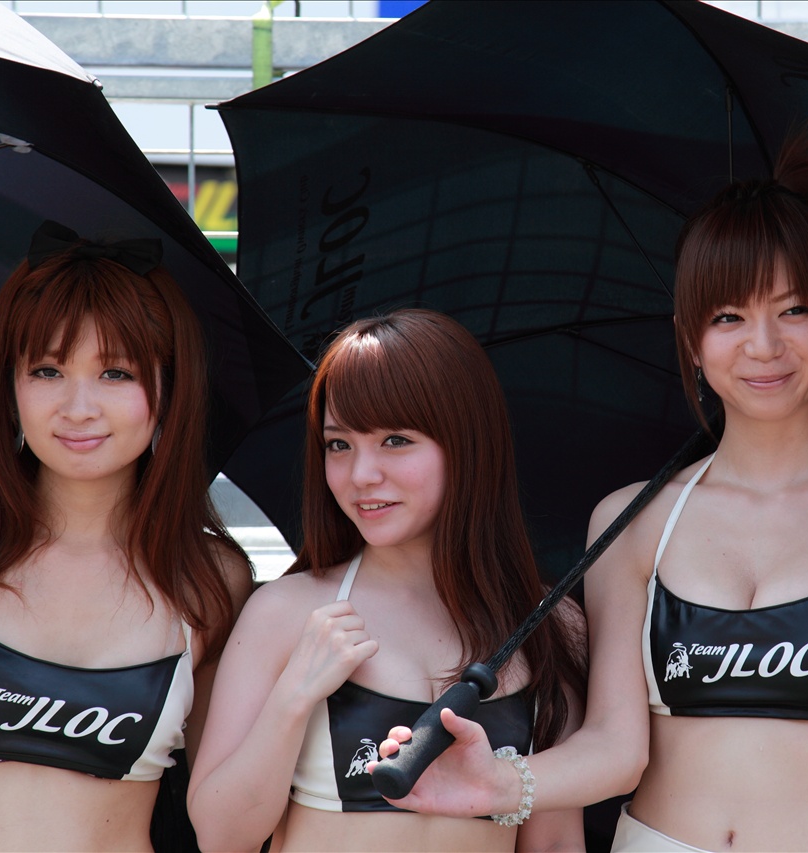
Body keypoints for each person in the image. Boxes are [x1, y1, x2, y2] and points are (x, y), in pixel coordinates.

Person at [373, 141, 808, 852]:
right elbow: (617, 747)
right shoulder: (631, 520)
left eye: (794, 309)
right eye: (728, 317)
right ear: (690, 339)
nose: (764, 345)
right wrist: (498, 784)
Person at [187, 308, 587, 852]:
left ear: (468, 444)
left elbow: (554, 842)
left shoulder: (548, 624)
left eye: (396, 440)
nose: (361, 475)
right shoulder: (285, 611)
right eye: (339, 444)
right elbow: (220, 837)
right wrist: (295, 695)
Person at [0, 221, 253, 852]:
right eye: (47, 370)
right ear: (10, 383)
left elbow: (224, 819)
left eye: (116, 373)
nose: (78, 407)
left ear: (169, 386)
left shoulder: (209, 578)